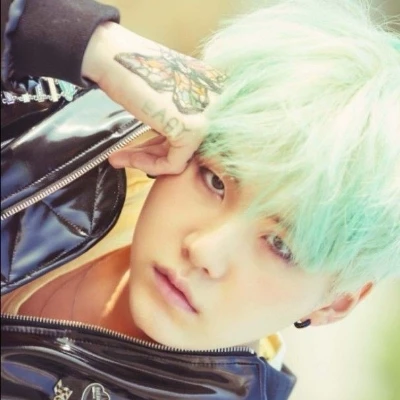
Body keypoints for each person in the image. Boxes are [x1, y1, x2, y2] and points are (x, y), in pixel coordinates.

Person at [1, 0, 400, 399]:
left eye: (280, 245)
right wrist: (83, 40)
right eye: (215, 181)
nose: (204, 250)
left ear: (336, 302)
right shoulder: (78, 126)